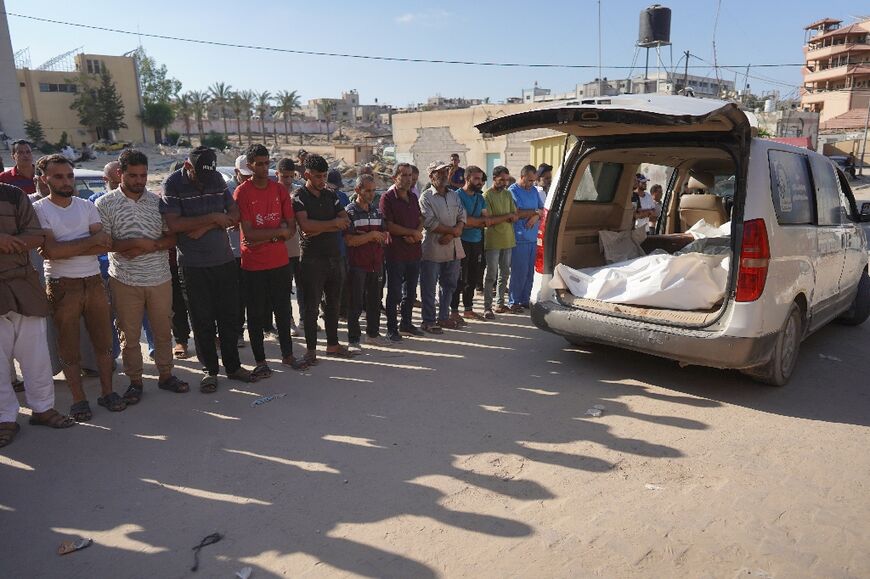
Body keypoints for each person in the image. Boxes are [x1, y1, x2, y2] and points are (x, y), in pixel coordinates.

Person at [34, 154, 126, 421]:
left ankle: (107, 393)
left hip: (94, 282)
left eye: (69, 176)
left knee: (104, 342)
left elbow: (105, 244)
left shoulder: (86, 206)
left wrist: (68, 247)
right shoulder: (40, 209)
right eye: (59, 176)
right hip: (62, 286)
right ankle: (78, 400)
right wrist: (88, 241)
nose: (66, 181)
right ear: (45, 179)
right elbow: (51, 252)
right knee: (69, 346)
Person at [160, 146, 258, 393]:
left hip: (223, 261)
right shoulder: (172, 184)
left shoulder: (215, 178)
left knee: (228, 318)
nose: (205, 182)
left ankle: (233, 367)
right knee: (202, 321)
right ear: (187, 166)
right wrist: (214, 218)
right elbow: (173, 224)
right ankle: (210, 371)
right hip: (193, 266)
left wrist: (205, 225)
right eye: (198, 177)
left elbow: (234, 214)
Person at [96, 149, 189, 404]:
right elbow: (103, 243)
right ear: (120, 173)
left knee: (162, 330)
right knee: (130, 335)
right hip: (124, 280)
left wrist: (152, 246)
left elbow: (171, 237)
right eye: (133, 175)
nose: (139, 180)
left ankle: (166, 375)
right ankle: (135, 382)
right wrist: (131, 243)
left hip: (159, 278)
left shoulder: (158, 202)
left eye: (143, 175)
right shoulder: (105, 204)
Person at [0, 181, 75, 447]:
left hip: (23, 286)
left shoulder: (12, 195)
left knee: (36, 356)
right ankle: (5, 419)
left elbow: (36, 236)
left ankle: (43, 409)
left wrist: (10, 242)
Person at [234, 144, 308, 376]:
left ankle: (288, 355)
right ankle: (261, 361)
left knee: (283, 311)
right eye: (259, 163)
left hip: (279, 263)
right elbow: (249, 234)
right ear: (249, 166)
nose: (264, 167)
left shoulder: (279, 191)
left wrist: (266, 237)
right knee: (255, 315)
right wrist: (277, 234)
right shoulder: (242, 193)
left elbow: (291, 229)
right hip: (253, 265)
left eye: (267, 163)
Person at [293, 154, 355, 364]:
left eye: (324, 176)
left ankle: (333, 345)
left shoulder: (331, 195)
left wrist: (321, 226)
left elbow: (345, 219)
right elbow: (306, 227)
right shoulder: (299, 197)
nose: (322, 180)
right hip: (312, 260)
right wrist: (332, 224)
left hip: (334, 257)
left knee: (333, 305)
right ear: (307, 175)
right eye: (318, 176)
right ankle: (311, 351)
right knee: (311, 307)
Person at [419, 160, 466, 334]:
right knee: (429, 286)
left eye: (446, 171)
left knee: (450, 284)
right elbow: (430, 222)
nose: (444, 175)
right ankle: (428, 321)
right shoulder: (425, 197)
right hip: (433, 247)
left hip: (452, 247)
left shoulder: (454, 194)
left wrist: (455, 231)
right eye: (440, 172)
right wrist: (453, 231)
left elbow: (462, 215)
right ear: (431, 176)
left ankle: (444, 317)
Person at [344, 174, 389, 349]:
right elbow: (349, 240)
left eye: (373, 190)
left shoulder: (376, 211)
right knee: (355, 304)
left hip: (375, 263)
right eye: (367, 190)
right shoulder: (350, 212)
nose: (371, 194)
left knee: (374, 301)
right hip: (357, 265)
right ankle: (354, 339)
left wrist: (368, 236)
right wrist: (370, 236)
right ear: (357, 190)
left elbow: (384, 236)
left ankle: (372, 334)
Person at [380, 163, 424, 342]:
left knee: (411, 292)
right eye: (404, 175)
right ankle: (392, 328)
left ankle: (406, 323)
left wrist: (417, 233)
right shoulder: (387, 198)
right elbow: (388, 225)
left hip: (414, 251)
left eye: (410, 175)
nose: (408, 179)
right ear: (394, 178)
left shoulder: (413, 197)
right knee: (394, 293)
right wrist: (410, 233)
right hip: (396, 253)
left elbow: (421, 218)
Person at [450, 165, 489, 323]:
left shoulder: (480, 198)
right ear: (467, 179)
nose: (480, 182)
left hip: (477, 241)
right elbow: (461, 221)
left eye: (481, 179)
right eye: (476, 179)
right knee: (458, 278)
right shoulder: (456, 196)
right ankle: (453, 311)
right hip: (461, 241)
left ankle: (468, 309)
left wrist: (472, 222)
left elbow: (486, 221)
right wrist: (473, 222)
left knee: (472, 277)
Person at [483, 166, 518, 318]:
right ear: (494, 178)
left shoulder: (508, 194)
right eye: (501, 180)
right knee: (491, 274)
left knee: (504, 273)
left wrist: (508, 216)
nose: (504, 182)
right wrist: (507, 216)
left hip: (508, 239)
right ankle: (487, 307)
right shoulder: (487, 196)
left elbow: (515, 215)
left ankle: (500, 304)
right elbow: (489, 220)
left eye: (506, 180)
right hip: (493, 241)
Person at [508, 165, 543, 313]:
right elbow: (517, 213)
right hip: (519, 238)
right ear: (522, 177)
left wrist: (535, 216)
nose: (531, 184)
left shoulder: (534, 190)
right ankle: (514, 301)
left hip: (532, 238)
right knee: (519, 272)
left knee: (529, 272)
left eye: (534, 181)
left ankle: (525, 299)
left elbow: (541, 210)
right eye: (529, 180)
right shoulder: (513, 191)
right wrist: (534, 212)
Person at [226, 154, 253, 346]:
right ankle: (236, 331)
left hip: (251, 249)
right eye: (244, 175)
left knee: (249, 294)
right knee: (234, 296)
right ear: (236, 172)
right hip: (233, 251)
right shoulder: (227, 190)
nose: (248, 179)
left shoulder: (256, 186)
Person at [276, 157, 304, 336]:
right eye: (284, 176)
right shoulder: (272, 194)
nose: (287, 180)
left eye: (290, 176)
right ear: (277, 174)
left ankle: (304, 319)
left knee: (303, 287)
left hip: (300, 249)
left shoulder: (298, 193)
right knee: (284, 290)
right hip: (280, 250)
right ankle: (288, 321)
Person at [326, 169, 351, 320]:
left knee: (342, 280)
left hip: (341, 247)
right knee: (326, 283)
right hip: (325, 248)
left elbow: (348, 219)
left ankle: (342, 311)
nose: (335, 190)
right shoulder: (320, 197)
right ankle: (327, 310)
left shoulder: (343, 198)